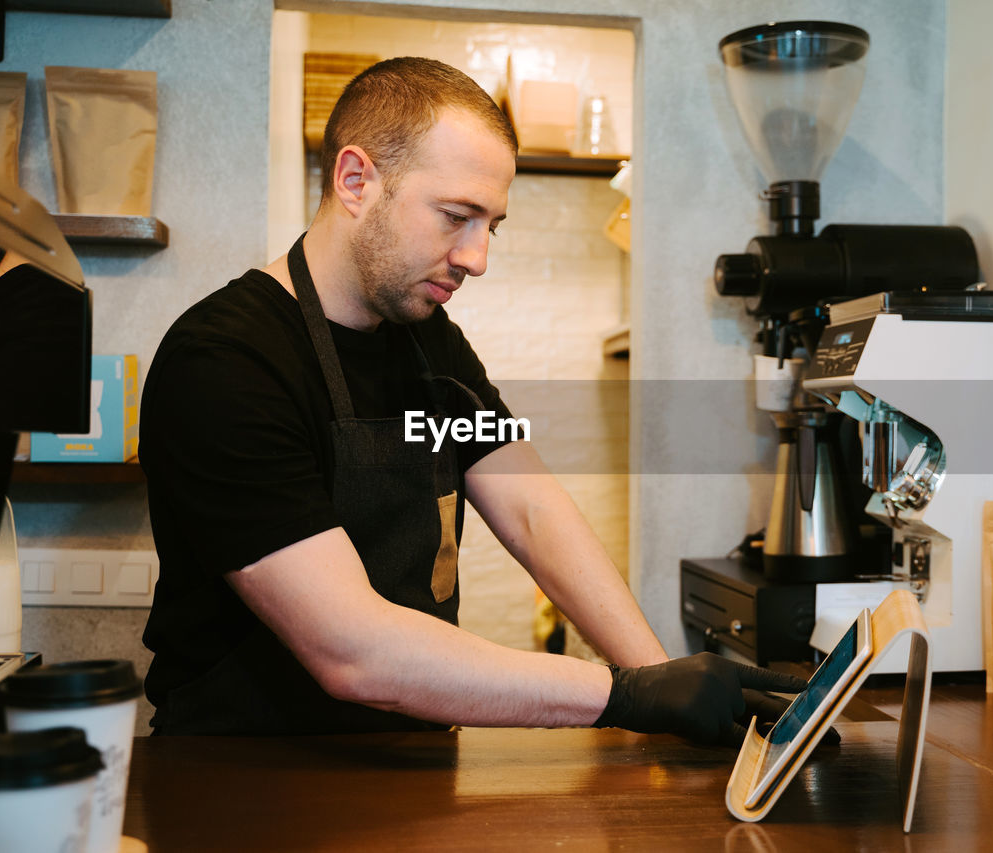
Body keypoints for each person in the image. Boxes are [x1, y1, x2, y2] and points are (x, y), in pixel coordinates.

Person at [139, 57, 808, 740]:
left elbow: (531, 508)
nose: (478, 257)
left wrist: (668, 682)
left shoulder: (431, 346)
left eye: (493, 225)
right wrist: (628, 695)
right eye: (457, 216)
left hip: (412, 775)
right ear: (355, 180)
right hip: (244, 788)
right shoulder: (227, 363)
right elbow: (352, 651)